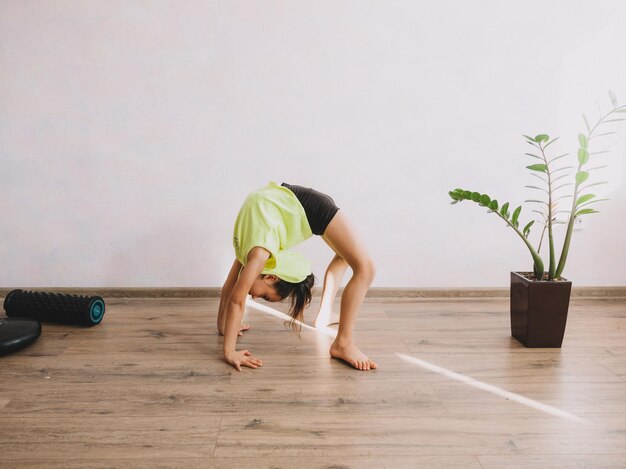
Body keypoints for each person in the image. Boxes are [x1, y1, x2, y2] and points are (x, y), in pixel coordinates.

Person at [217, 182, 377, 372]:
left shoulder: (257, 254)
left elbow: (236, 299)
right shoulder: (251, 253)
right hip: (290, 201)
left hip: (313, 207)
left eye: (265, 297)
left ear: (271, 278)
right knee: (345, 256)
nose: (255, 297)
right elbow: (231, 289)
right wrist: (225, 329)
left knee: (365, 269)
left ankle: (343, 343)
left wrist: (229, 351)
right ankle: (326, 317)